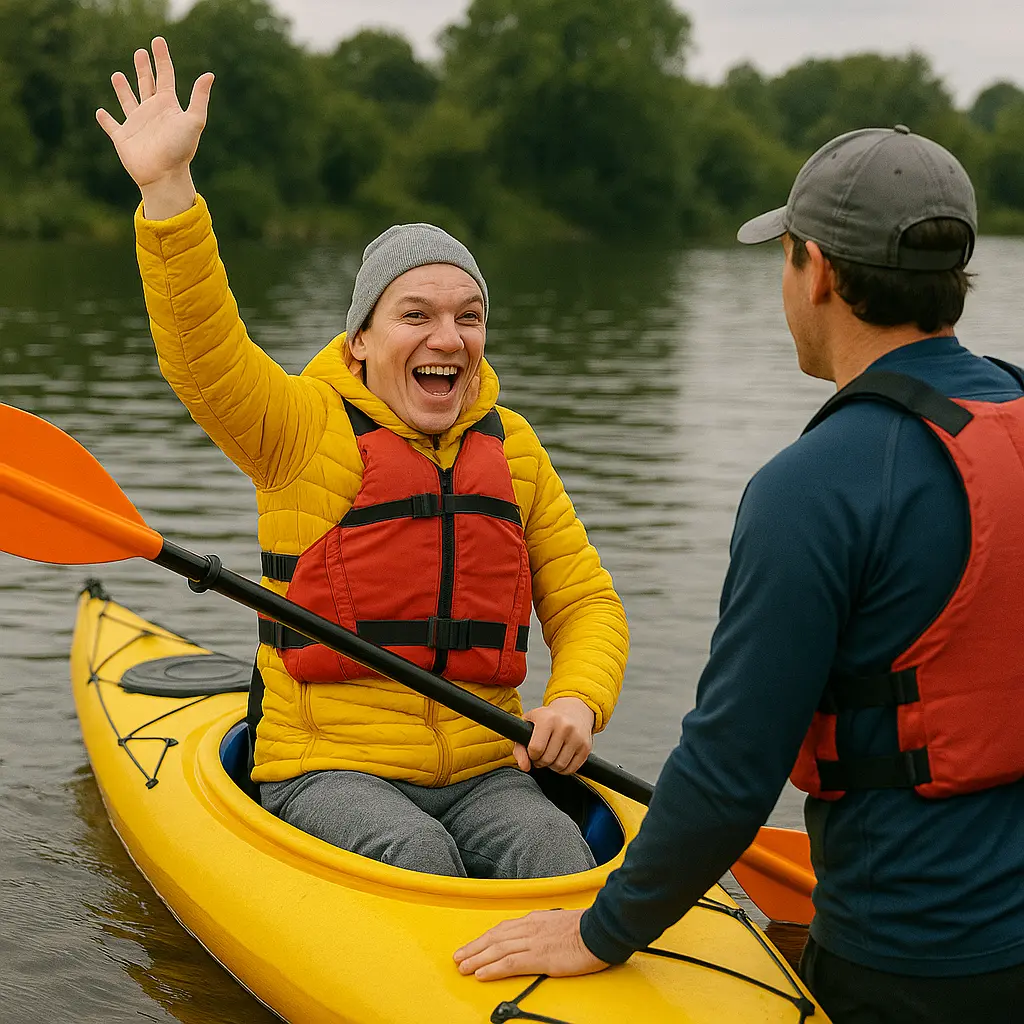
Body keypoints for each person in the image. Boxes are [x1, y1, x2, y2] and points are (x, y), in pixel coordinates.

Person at [454, 125, 1024, 1022]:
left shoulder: (812, 486)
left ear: (820, 271)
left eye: (786, 258)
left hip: (908, 967)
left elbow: (730, 773)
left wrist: (601, 931)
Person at [96, 38, 629, 880]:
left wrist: (576, 699)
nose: (448, 338)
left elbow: (588, 602)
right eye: (416, 315)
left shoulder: (514, 448)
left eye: (469, 316)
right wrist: (167, 191)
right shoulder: (299, 428)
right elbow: (202, 352)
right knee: (416, 854)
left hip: (487, 767)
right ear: (359, 343)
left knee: (558, 853)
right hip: (327, 764)